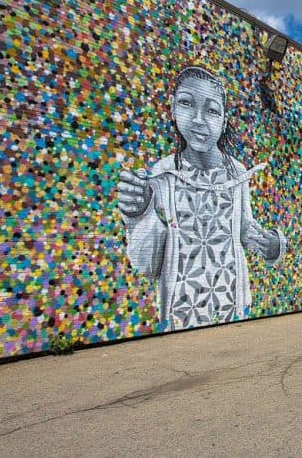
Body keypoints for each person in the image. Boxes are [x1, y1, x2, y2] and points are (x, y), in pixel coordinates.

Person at [117, 66, 285, 329]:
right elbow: (146, 265)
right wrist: (138, 215)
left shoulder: (236, 172)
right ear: (172, 108)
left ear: (224, 118)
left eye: (212, 110)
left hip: (233, 303)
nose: (198, 119)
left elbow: (246, 231)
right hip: (180, 312)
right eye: (186, 103)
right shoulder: (163, 173)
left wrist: (274, 245)